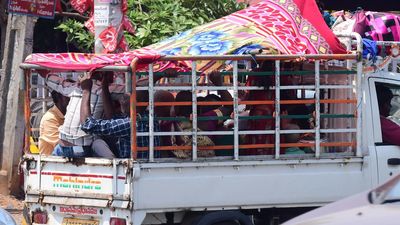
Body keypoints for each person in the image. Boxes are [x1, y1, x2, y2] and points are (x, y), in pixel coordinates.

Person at [38, 70, 125, 157]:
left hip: (61, 147)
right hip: (80, 149)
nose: (113, 78)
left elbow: (54, 81)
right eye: (112, 74)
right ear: (103, 74)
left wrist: (41, 70)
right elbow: (130, 89)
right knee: (99, 142)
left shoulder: (75, 86)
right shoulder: (108, 89)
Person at [38, 90, 70, 155]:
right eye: (68, 95)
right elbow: (63, 145)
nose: (71, 98)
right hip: (50, 162)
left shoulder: (68, 115)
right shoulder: (50, 118)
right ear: (59, 98)